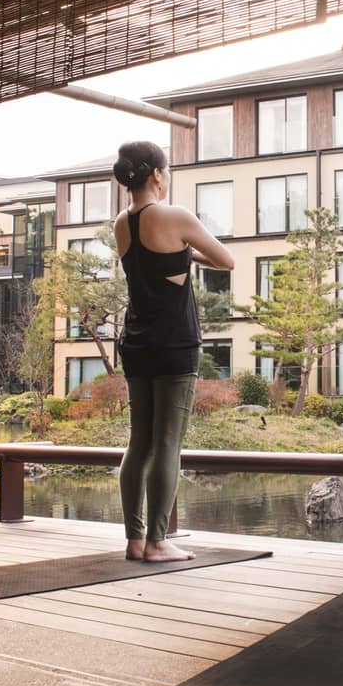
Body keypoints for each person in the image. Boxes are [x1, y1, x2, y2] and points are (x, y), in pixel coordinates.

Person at [112, 141, 234, 563]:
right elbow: (227, 260)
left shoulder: (121, 223)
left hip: (136, 342)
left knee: (139, 441)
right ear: (158, 175)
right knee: (168, 442)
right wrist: (188, 254)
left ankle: (133, 539)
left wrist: (179, 254)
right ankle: (158, 542)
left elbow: (148, 264)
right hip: (175, 342)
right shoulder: (175, 216)